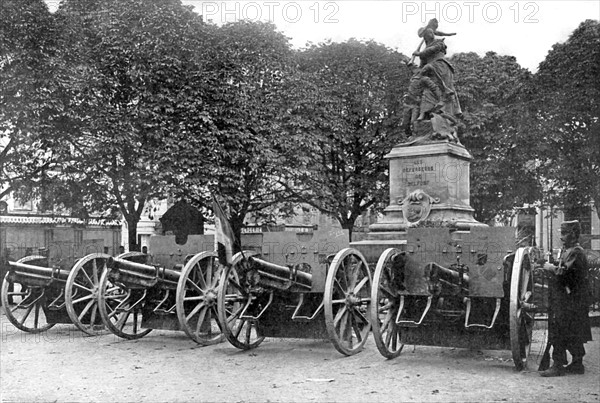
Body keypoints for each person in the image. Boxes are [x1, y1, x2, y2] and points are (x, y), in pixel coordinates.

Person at [539, 220, 592, 377]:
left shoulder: (576, 252)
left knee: (560, 330)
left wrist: (549, 267)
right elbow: (562, 267)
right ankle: (577, 364)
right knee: (572, 331)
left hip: (572, 299)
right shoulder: (567, 250)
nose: (561, 236)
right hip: (568, 298)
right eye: (560, 232)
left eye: (565, 233)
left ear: (575, 233)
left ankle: (558, 365)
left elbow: (562, 272)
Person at [412, 19, 462, 118]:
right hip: (430, 71)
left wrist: (419, 54)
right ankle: (424, 112)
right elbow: (422, 66)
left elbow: (433, 50)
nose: (431, 34)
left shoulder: (439, 42)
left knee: (446, 88)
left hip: (441, 67)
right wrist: (413, 67)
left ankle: (453, 111)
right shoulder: (425, 50)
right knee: (428, 90)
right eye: (429, 32)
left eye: (432, 32)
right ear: (425, 36)